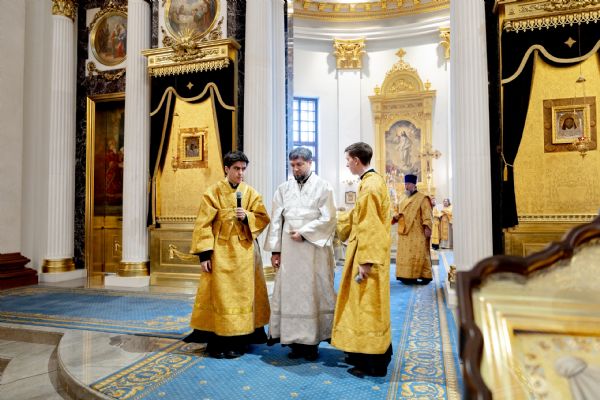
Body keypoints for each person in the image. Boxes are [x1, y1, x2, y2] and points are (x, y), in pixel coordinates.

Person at [184, 151, 271, 359]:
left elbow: (262, 217)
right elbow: (203, 224)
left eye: (243, 169)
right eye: (236, 169)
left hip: (244, 254)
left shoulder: (250, 193)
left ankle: (239, 342)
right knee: (221, 296)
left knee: (242, 297)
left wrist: (247, 217)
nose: (240, 173)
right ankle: (219, 341)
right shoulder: (212, 192)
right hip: (220, 252)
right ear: (226, 169)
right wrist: (204, 255)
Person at [264, 147, 337, 361]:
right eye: (293, 165)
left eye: (300, 165)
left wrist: (305, 233)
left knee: (313, 292)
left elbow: (329, 218)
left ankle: (312, 342)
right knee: (291, 294)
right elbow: (276, 220)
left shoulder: (323, 187)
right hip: (290, 251)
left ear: (310, 163)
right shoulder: (283, 189)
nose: (295, 169)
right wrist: (276, 251)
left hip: (314, 250)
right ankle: (293, 341)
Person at [331, 142, 393, 378]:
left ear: (357, 160)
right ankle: (365, 354)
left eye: (348, 160)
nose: (347, 164)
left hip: (368, 256)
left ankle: (373, 363)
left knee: (368, 308)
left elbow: (370, 225)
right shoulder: (372, 182)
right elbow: (358, 216)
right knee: (366, 306)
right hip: (369, 253)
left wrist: (365, 261)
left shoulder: (369, 186)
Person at [393, 174, 433, 285]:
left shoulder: (422, 198)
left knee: (420, 252)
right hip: (404, 229)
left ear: (414, 184)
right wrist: (395, 216)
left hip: (417, 231)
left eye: (408, 184)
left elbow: (427, 213)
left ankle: (423, 276)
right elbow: (397, 209)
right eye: (405, 184)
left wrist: (427, 226)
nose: (406, 186)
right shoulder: (402, 197)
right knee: (405, 254)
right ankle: (405, 276)